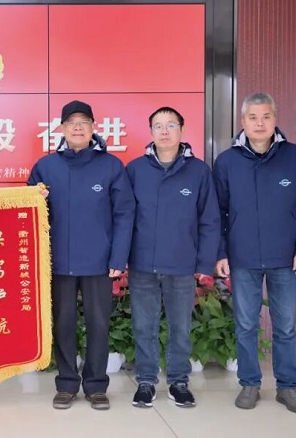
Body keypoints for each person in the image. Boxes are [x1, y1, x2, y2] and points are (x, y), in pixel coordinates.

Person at [213, 92, 296, 414]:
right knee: (246, 325)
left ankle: (287, 387)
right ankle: (249, 383)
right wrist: (220, 252)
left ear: (275, 119)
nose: (259, 123)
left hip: (286, 259)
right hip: (242, 258)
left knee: (285, 326)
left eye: (266, 117)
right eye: (253, 117)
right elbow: (216, 212)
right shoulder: (227, 161)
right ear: (243, 121)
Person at [27, 100, 135, 411]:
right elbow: (27, 214)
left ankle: (96, 386)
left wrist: (118, 258)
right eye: (71, 122)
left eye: (84, 122)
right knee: (63, 324)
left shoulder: (110, 166)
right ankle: (66, 384)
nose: (77, 127)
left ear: (93, 128)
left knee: (99, 324)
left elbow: (124, 213)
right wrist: (37, 199)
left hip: (99, 262)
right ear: (61, 129)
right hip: (58, 262)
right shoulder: (46, 167)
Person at [125, 107, 220, 409]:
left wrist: (204, 264)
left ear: (181, 130)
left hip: (181, 264)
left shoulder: (199, 171)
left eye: (170, 125)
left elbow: (210, 220)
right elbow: (123, 217)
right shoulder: (135, 170)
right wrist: (120, 258)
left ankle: (179, 382)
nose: (164, 131)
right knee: (144, 326)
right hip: (142, 264)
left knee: (180, 327)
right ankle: (146, 381)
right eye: (158, 126)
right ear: (150, 132)